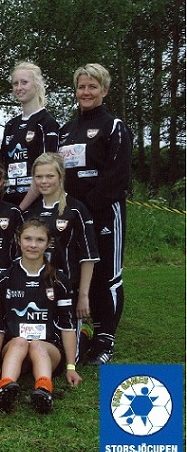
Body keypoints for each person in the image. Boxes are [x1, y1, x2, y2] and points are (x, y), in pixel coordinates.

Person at [57, 63, 132, 365]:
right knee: (77, 274)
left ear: (104, 90)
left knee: (106, 276)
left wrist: (87, 207)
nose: (86, 92)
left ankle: (105, 338)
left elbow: (117, 176)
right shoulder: (66, 131)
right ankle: (81, 331)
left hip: (104, 215)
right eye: (81, 87)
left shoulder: (114, 126)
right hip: (73, 216)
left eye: (92, 86)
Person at [0, 218, 82, 414]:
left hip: (48, 351)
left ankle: (43, 391)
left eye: (39, 240)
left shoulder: (59, 280)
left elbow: (67, 326)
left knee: (37, 344)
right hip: (15, 350)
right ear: (18, 240)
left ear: (48, 244)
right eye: (28, 239)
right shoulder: (4, 279)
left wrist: (71, 367)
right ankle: (5, 389)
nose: (33, 245)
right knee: (20, 342)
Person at [23, 153, 99, 342]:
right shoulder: (31, 212)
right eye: (39, 176)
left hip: (67, 288)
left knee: (68, 349)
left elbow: (88, 256)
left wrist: (83, 296)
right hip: (36, 288)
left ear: (61, 176)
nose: (44, 181)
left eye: (50, 176)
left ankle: (83, 335)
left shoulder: (76, 209)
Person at [0, 62, 59, 209]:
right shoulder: (10, 125)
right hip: (9, 202)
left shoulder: (46, 122)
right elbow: (2, 167)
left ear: (37, 84)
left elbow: (47, 171)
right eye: (15, 83)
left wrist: (21, 208)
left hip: (35, 205)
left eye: (24, 82)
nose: (19, 87)